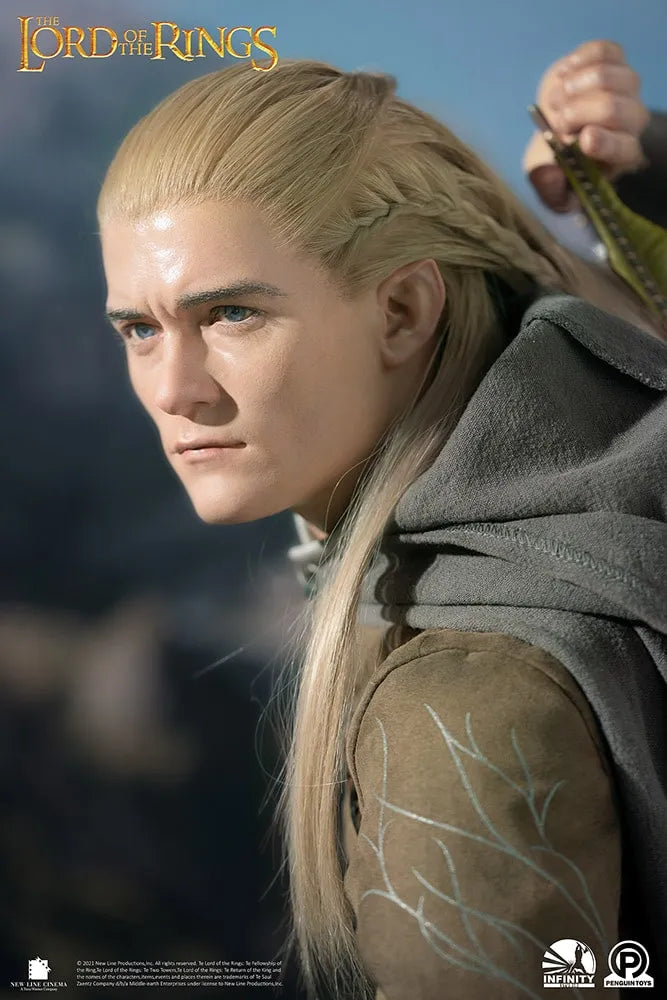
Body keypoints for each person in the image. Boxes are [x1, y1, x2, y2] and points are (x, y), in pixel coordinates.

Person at [97, 44, 667, 1000]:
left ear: (402, 310)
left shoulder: (461, 702)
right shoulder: (614, 484)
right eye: (139, 329)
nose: (173, 390)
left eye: (231, 314)